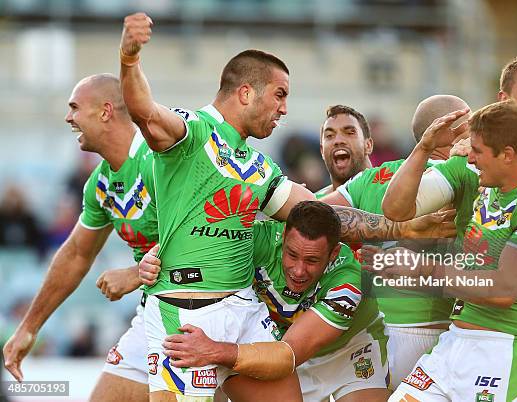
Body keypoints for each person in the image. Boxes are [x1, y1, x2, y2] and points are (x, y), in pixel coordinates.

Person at [119, 11, 323, 401]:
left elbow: (317, 214)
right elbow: (144, 109)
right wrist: (129, 58)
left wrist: (399, 224)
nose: (284, 109)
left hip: (243, 307)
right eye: (279, 95)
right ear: (246, 92)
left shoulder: (258, 165)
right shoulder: (193, 129)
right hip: (187, 311)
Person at [379, 100, 517, 401]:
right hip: (453, 343)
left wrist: (421, 269)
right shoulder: (489, 187)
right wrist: (424, 147)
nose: (469, 156)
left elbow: (504, 289)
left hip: (500, 353)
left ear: (507, 154)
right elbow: (394, 208)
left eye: (478, 151)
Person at [3, 74, 157, 402]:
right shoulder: (100, 184)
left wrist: (134, 273)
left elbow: (199, 225)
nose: (68, 117)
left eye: (74, 107)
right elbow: (75, 254)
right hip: (160, 309)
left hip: (211, 308)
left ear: (105, 112)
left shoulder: (158, 159)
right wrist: (29, 327)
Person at [141, 201, 393, 402]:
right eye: (291, 254)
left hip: (348, 351)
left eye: (312, 261)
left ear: (333, 253)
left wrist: (214, 350)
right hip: (273, 350)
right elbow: (190, 247)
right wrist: (149, 262)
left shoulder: (348, 280)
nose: (298, 270)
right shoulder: (256, 240)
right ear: (283, 236)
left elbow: (289, 355)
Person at [319, 96, 470, 389]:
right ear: (453, 130)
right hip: (438, 333)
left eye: (349, 132)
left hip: (371, 334)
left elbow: (309, 217)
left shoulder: (374, 178)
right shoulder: (470, 177)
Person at [316, 105, 373, 197]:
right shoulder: (313, 204)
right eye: (329, 135)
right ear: (322, 151)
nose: (338, 140)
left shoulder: (391, 186)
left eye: (350, 133)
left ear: (368, 145)